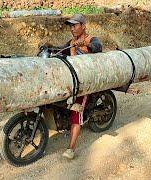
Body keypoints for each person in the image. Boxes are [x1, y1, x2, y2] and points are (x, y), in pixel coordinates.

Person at [56, 14, 102, 159]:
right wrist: (49, 47)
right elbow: (61, 51)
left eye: (75, 25)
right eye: (71, 26)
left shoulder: (91, 39)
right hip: (73, 81)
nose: (72, 28)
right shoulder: (71, 42)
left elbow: (97, 47)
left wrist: (85, 45)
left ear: (83, 26)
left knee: (77, 110)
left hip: (86, 83)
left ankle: (71, 148)